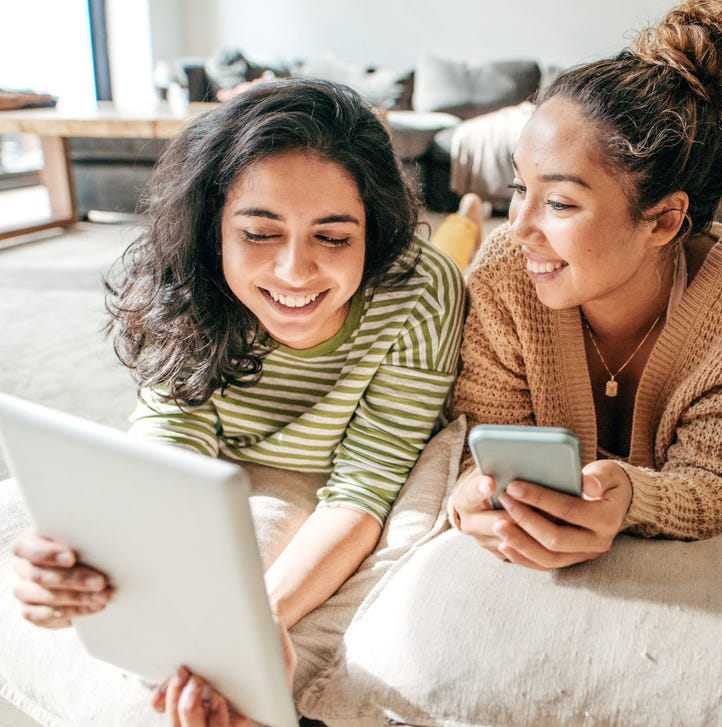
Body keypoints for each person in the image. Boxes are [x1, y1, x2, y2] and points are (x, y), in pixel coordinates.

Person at [9, 78, 466, 724]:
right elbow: (165, 447)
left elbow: (362, 486)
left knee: (460, 244)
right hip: (232, 454)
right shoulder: (185, 281)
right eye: (258, 233)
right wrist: (83, 559)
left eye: (334, 237)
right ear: (213, 227)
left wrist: (252, 628)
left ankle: (468, 216)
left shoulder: (420, 291)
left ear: (373, 228)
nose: (294, 272)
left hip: (333, 448)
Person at [449, 0, 722, 569]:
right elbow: (479, 439)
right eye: (518, 189)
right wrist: (473, 494)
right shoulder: (505, 273)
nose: (519, 228)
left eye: (559, 202)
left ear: (662, 220)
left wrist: (636, 497)